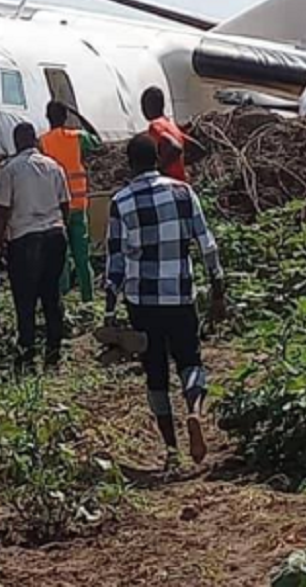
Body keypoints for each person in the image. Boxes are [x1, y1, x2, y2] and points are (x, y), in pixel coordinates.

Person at [106, 134, 227, 469]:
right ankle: (194, 412)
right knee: (190, 360)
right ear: (157, 157)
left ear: (129, 164)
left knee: (155, 373)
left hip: (141, 301)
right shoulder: (182, 192)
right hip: (180, 295)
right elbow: (207, 244)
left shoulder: (121, 201)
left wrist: (108, 309)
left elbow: (115, 262)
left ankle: (171, 450)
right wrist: (218, 286)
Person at [0, 123, 71, 371]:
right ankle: (54, 351)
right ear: (35, 141)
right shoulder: (53, 166)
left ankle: (27, 352)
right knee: (51, 295)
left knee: (25, 299)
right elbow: (65, 204)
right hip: (54, 234)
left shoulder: (10, 170)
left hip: (25, 237)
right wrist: (61, 227)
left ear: (17, 142)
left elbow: (2, 209)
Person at [38, 101, 101, 301]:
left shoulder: (43, 142)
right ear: (66, 118)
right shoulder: (78, 137)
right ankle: (88, 299)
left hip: (55, 208)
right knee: (82, 258)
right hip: (78, 206)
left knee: (60, 259)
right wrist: (81, 117)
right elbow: (98, 141)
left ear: (47, 118)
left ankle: (63, 302)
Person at [140, 86, 207, 183]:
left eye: (143, 105)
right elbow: (199, 150)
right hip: (181, 182)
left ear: (150, 105)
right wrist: (180, 164)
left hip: (169, 182)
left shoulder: (155, 126)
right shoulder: (171, 125)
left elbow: (176, 147)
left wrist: (161, 169)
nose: (142, 109)